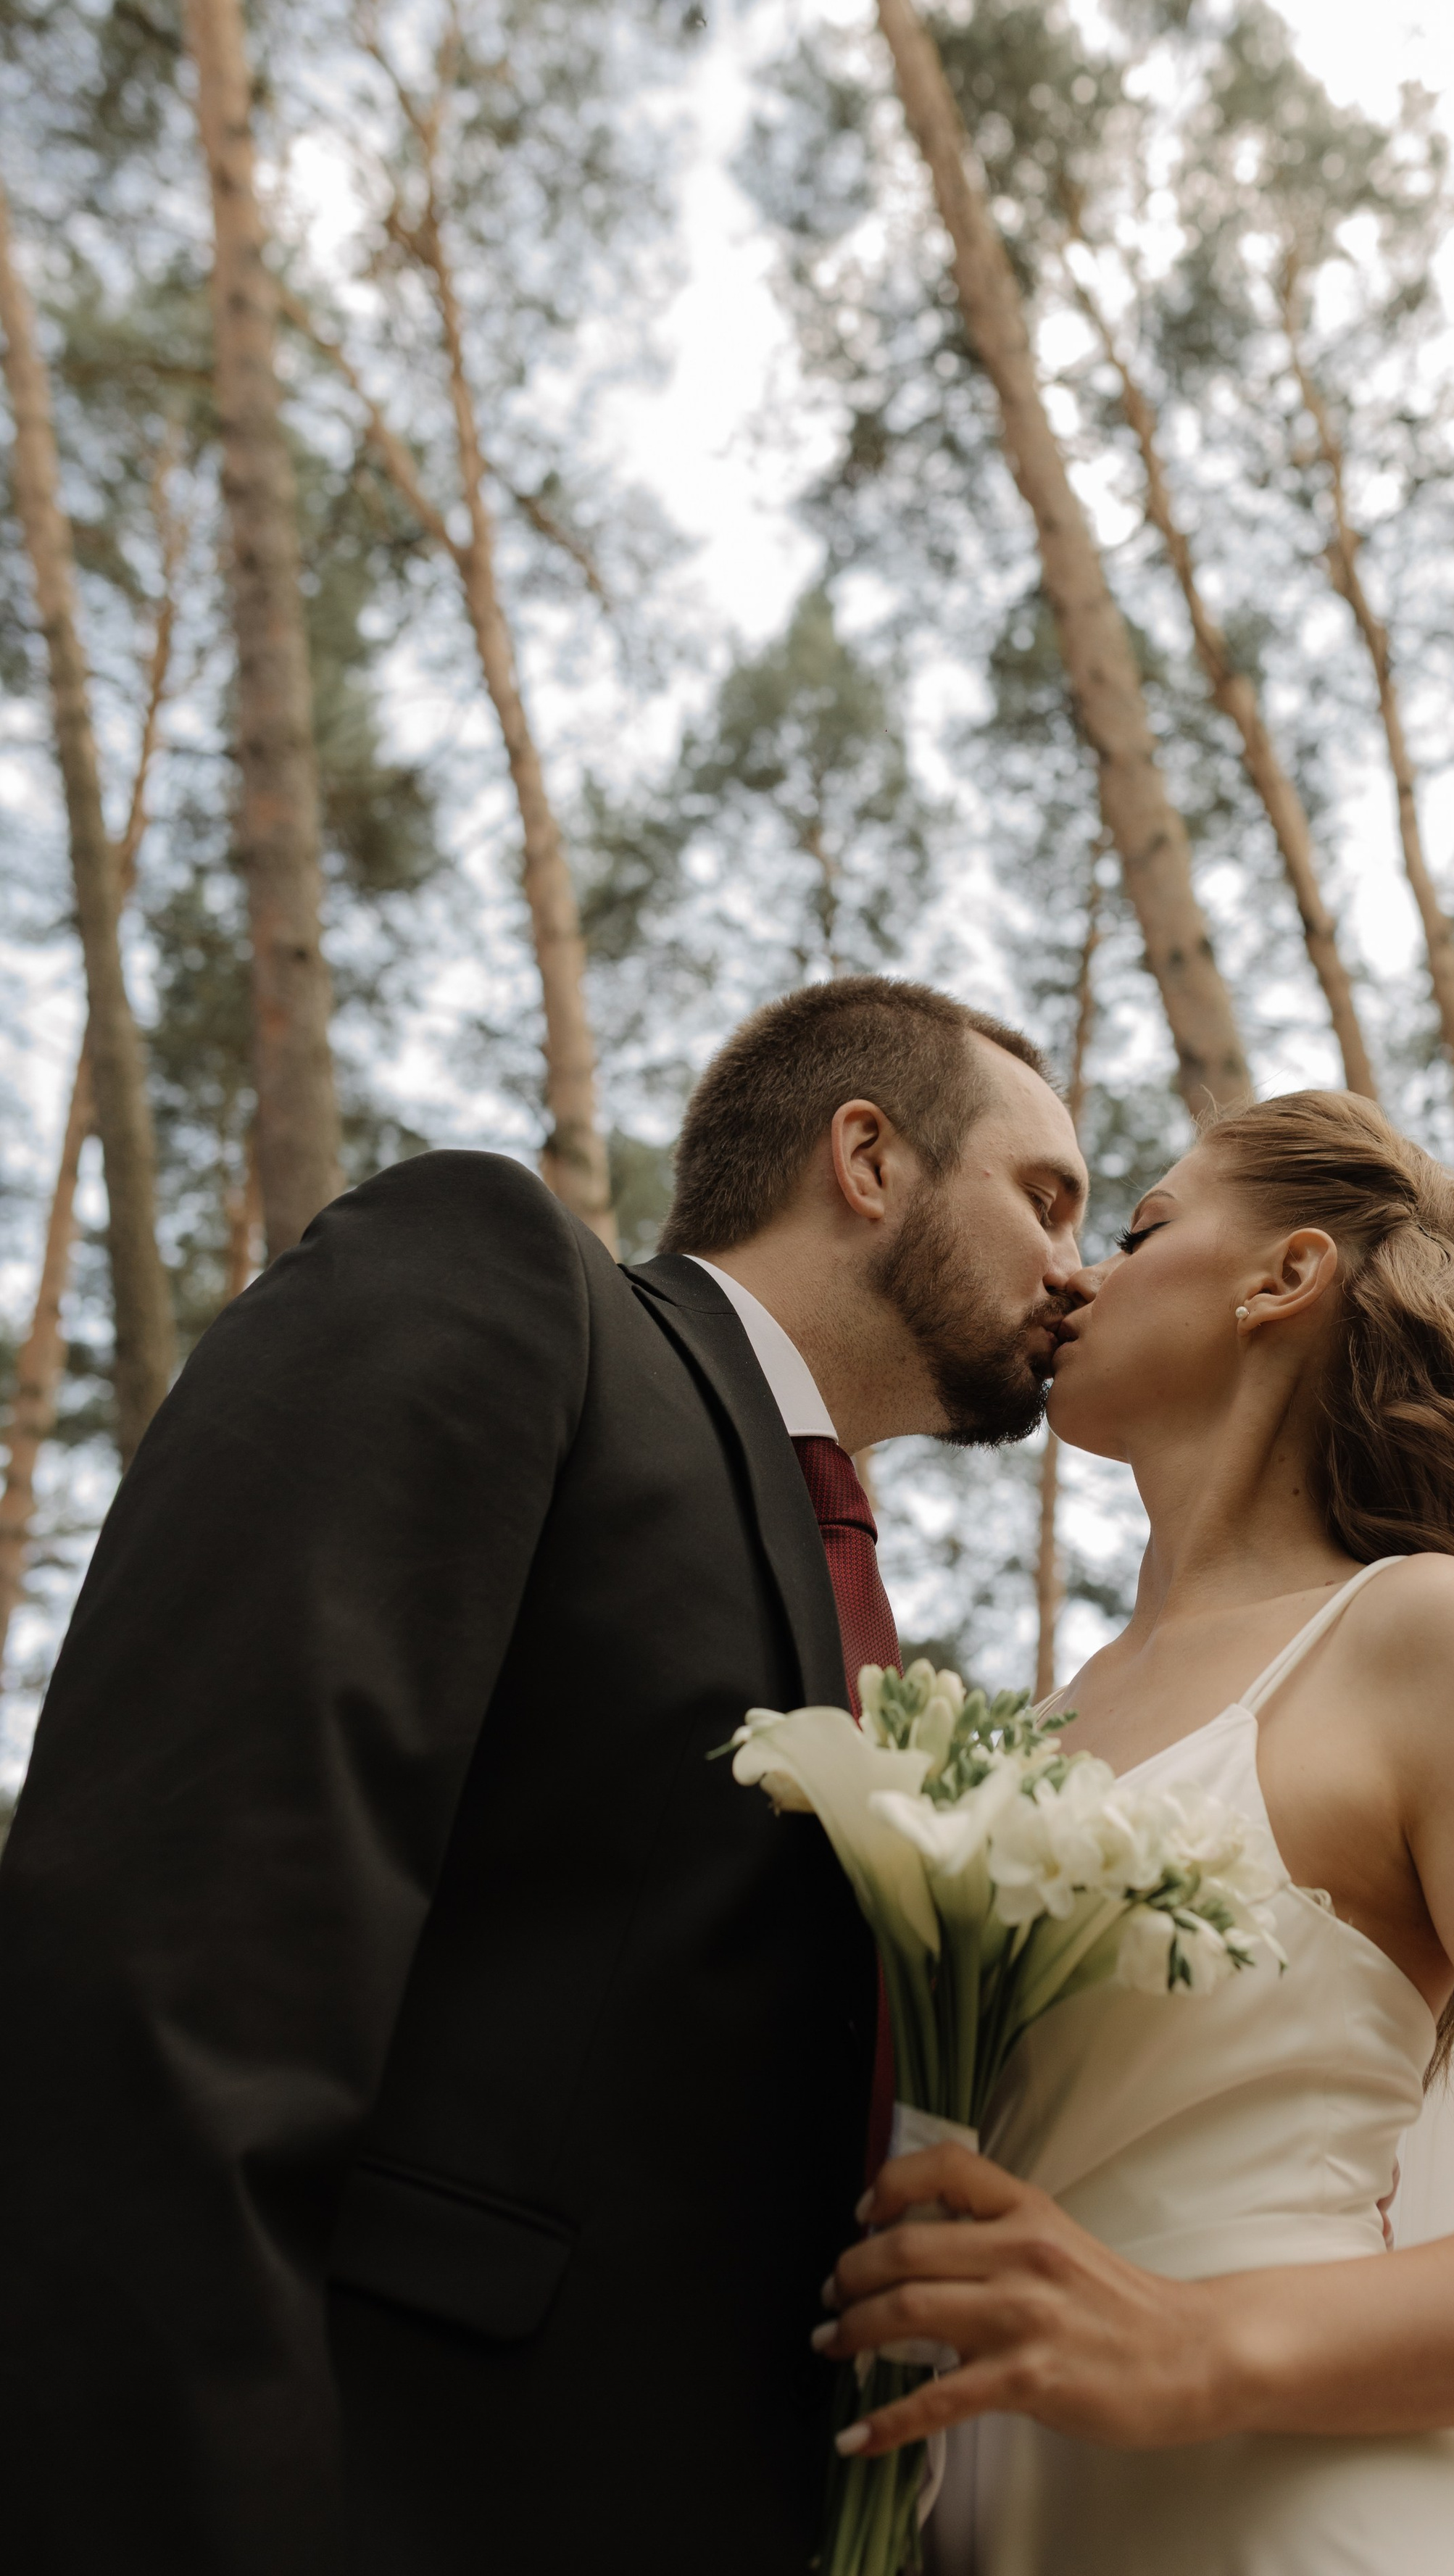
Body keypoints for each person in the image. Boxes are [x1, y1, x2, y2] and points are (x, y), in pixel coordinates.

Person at [0, 976, 1089, 2575]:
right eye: (1043, 1197)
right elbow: (175, 1952)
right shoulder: (501, 1280)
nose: (1074, 1271)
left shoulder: (871, 1620)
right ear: (867, 1158)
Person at [812, 1090, 1454, 2576]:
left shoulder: (1427, 1642)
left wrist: (1194, 2340)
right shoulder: (1023, 1734)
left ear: (1282, 1277)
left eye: (1140, 1228)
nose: (1073, 1276)